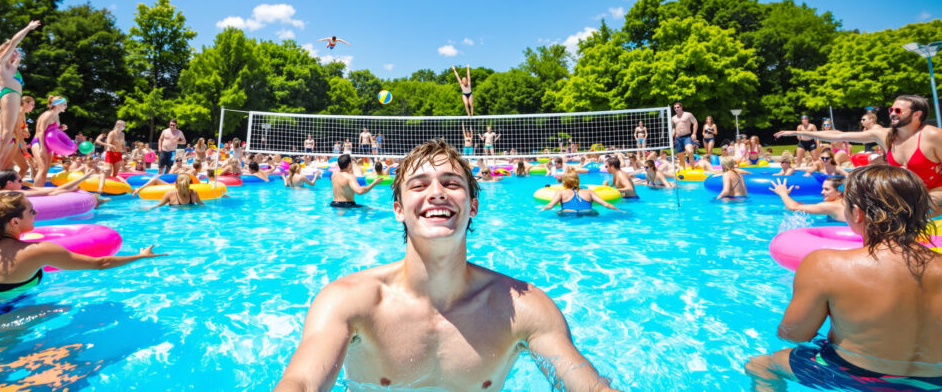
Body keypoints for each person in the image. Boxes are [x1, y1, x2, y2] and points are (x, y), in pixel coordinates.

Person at [276, 140, 620, 391]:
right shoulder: (349, 301)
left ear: (472, 207)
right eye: (419, 185)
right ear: (399, 209)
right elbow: (302, 383)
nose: (437, 192)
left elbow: (588, 387)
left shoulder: (523, 308)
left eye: (451, 183)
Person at [745, 166, 942, 391]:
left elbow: (793, 334)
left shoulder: (826, 264)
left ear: (857, 212)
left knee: (761, 365)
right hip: (935, 381)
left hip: (857, 377)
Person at [0, 191, 166, 300]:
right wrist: (141, 256)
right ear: (15, 221)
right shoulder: (38, 251)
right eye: (32, 210)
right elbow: (101, 263)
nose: (36, 213)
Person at [776, 95, 942, 215]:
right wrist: (793, 132)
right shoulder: (885, 135)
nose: (892, 113)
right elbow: (839, 135)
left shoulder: (932, 136)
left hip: (935, 189)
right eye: (891, 109)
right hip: (906, 191)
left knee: (918, 208)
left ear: (917, 114)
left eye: (898, 110)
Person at [0, 20, 41, 192]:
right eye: (11, 50)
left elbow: (16, 60)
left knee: (4, 165)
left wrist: (18, 58)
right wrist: (28, 28)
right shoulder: (1, 62)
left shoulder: (11, 68)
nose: (15, 51)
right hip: (8, 95)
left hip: (13, 97)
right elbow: (14, 41)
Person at [541, 170, 623, 217]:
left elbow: (550, 206)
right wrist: (620, 211)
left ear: (565, 181)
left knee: (558, 213)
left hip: (568, 213)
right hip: (588, 213)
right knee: (596, 212)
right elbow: (606, 205)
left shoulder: (561, 192)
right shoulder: (589, 192)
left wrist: (540, 211)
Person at [29, 96, 69, 191]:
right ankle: (35, 192)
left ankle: (40, 191)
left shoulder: (56, 115)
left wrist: (60, 128)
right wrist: (42, 148)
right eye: (64, 104)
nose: (66, 106)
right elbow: (41, 131)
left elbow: (49, 131)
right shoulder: (48, 115)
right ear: (57, 105)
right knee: (42, 169)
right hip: (39, 142)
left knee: (45, 171)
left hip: (48, 144)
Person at [772, 175, 847, 222]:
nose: (822, 192)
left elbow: (793, 207)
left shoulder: (830, 206)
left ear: (839, 192)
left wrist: (782, 192)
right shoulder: (847, 202)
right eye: (823, 189)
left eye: (826, 189)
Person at [671, 102, 698, 169]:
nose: (676, 109)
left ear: (681, 107)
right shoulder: (673, 118)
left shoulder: (688, 114)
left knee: (690, 151)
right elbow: (674, 128)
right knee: (681, 156)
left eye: (678, 107)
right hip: (678, 138)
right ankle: (683, 170)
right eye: (675, 108)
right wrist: (671, 136)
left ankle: (693, 168)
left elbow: (695, 123)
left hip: (687, 136)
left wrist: (694, 133)